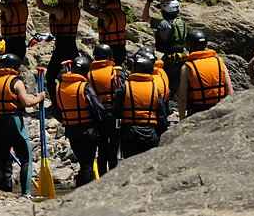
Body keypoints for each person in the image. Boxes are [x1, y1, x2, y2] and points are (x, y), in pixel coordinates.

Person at [0, 53, 46, 196]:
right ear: (15, 66)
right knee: (26, 158)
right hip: (13, 121)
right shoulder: (16, 81)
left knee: (1, 160)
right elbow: (26, 103)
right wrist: (39, 98)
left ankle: (3, 192)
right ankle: (26, 193)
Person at [54, 56, 105, 187]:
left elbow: (57, 112)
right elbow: (98, 109)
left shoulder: (59, 87)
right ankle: (83, 193)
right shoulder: (85, 87)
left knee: (83, 164)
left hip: (71, 131)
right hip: (87, 130)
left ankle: (79, 189)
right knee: (87, 165)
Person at [113, 50, 169, 158]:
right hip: (150, 132)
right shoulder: (155, 88)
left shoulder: (125, 87)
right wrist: (163, 132)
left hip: (129, 132)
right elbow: (162, 115)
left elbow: (116, 111)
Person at [34, 0, 81, 102]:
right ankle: (76, 98)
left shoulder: (60, 10)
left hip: (62, 46)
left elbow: (41, 6)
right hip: (72, 45)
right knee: (76, 73)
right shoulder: (75, 7)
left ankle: (56, 101)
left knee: (50, 76)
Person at [178, 29, 233, 120]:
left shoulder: (187, 68)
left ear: (188, 46)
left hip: (198, 113)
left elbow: (183, 99)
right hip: (220, 110)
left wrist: (181, 120)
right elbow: (230, 92)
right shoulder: (219, 62)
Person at [87, 44, 125, 176]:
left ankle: (102, 176)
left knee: (102, 148)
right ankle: (113, 174)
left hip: (97, 115)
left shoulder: (89, 74)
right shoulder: (115, 72)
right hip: (113, 113)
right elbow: (122, 91)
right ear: (109, 56)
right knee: (114, 145)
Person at [142, 0, 187, 96]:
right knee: (176, 86)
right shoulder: (182, 22)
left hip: (169, 59)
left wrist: (149, 1)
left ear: (166, 11)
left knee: (165, 84)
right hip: (181, 58)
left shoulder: (164, 24)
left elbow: (145, 17)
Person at [82, 0, 127, 66]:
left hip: (109, 50)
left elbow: (86, 8)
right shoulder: (120, 12)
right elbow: (119, 3)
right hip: (122, 49)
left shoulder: (105, 16)